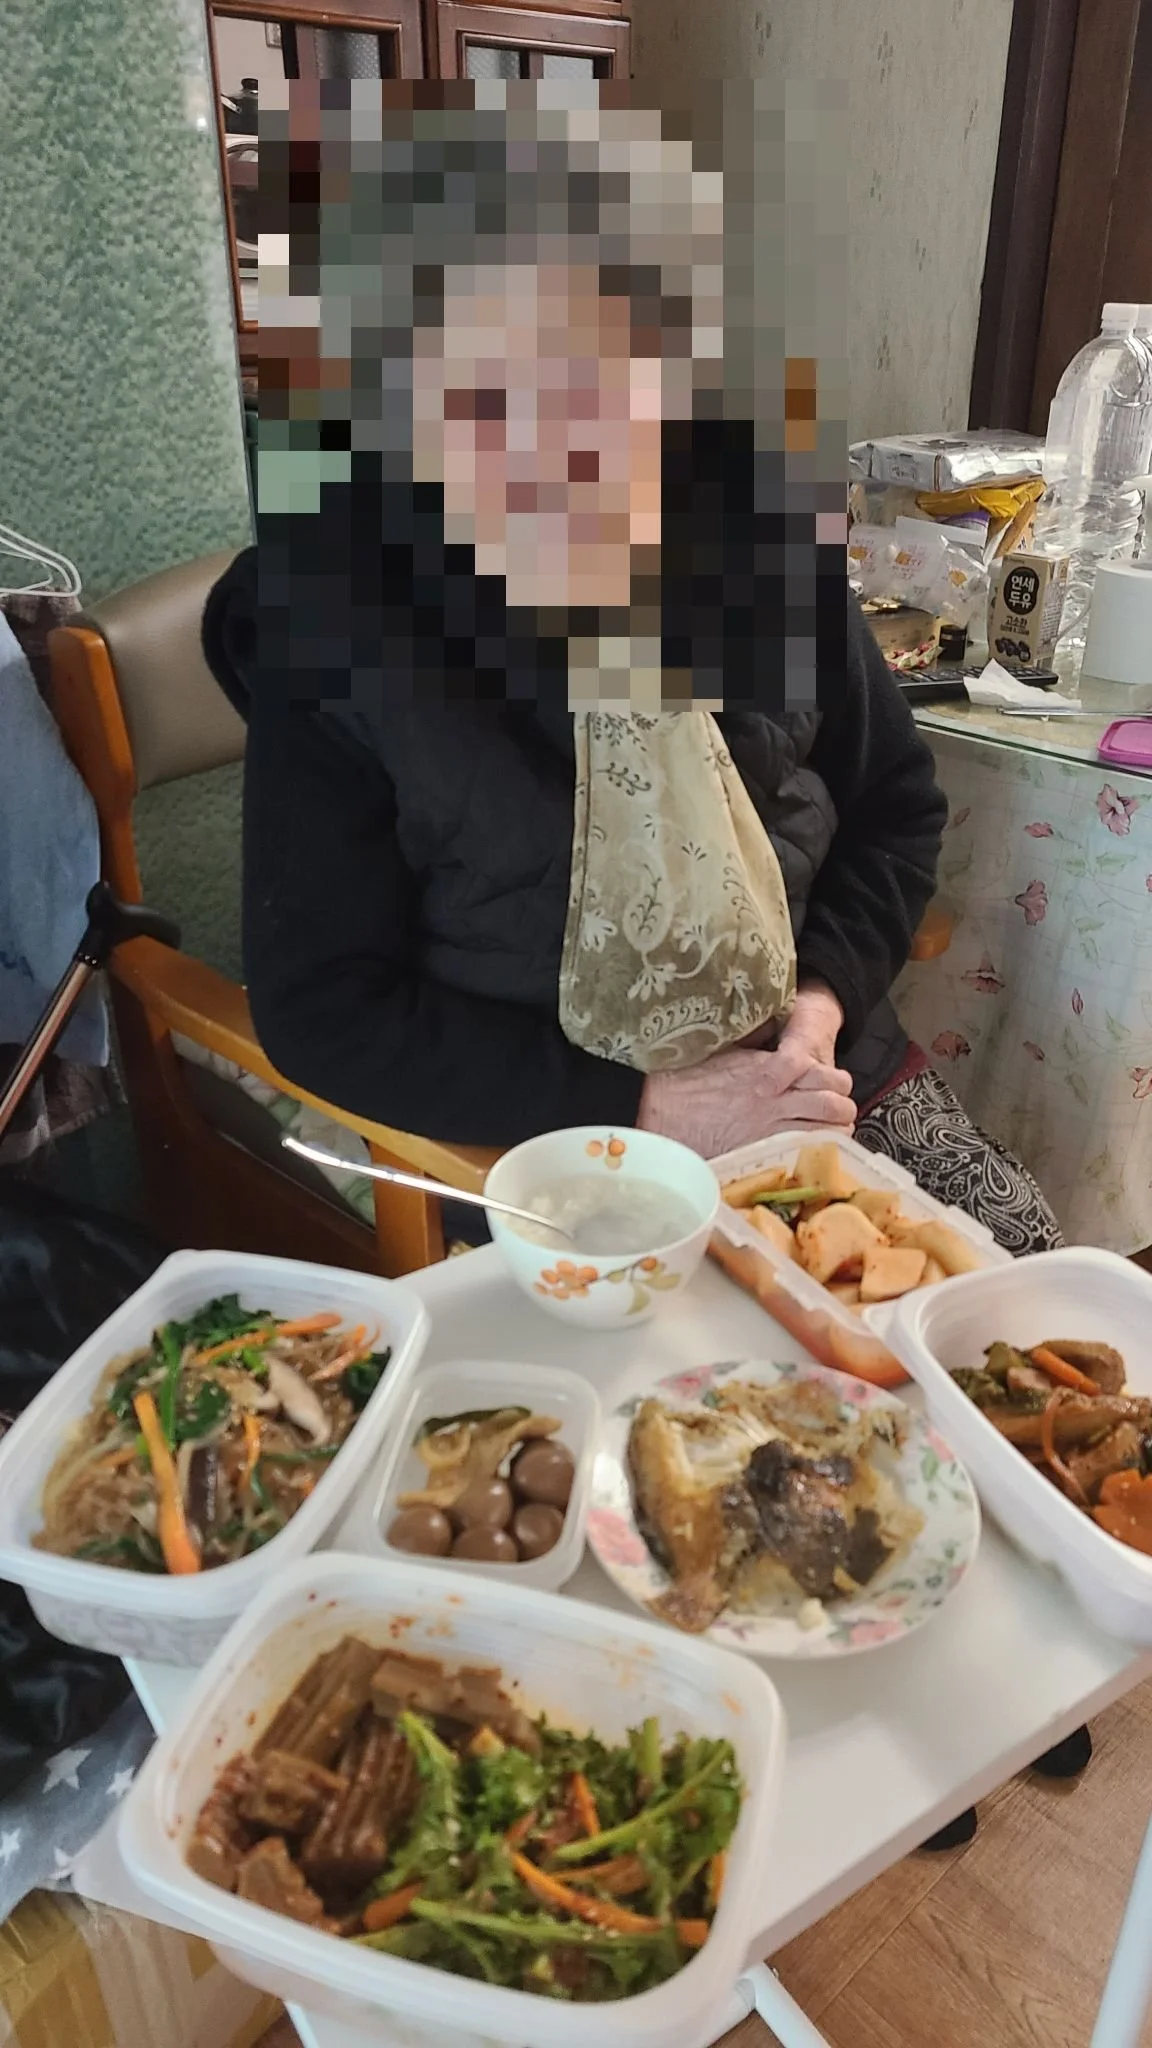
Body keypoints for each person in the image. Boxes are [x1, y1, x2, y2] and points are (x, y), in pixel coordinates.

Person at [203, 88, 1084, 1816]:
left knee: (1017, 1300)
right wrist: (644, 1106)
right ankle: (863, 1710)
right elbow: (319, 1008)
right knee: (715, 1448)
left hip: (813, 1064)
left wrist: (822, 1002)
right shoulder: (339, 633)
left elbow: (892, 809)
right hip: (561, 1131)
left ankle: (981, 1659)